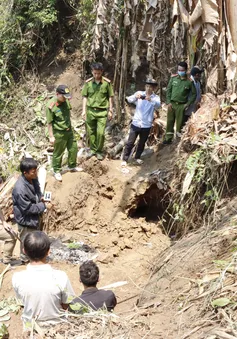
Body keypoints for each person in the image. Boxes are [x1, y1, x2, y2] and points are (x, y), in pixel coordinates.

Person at [12, 231, 75, 330]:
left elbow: (22, 303)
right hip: (57, 327)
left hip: (30, 328)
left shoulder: (17, 278)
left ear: (24, 251)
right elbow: (66, 304)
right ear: (48, 251)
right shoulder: (61, 276)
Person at [12, 158, 46, 263]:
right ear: (25, 173)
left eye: (36, 170)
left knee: (35, 240)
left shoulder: (32, 178)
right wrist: (43, 206)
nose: (35, 173)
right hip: (26, 220)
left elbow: (38, 189)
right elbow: (28, 209)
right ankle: (24, 260)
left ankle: (35, 257)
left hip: (34, 217)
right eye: (33, 172)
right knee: (27, 241)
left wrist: (40, 198)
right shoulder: (20, 189)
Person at [46, 85, 82, 182]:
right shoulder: (51, 106)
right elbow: (49, 123)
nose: (65, 98)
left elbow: (68, 114)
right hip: (59, 133)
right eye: (63, 96)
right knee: (58, 153)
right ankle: (56, 170)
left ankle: (72, 166)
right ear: (57, 94)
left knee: (73, 148)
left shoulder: (65, 101)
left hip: (69, 130)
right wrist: (51, 136)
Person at [121, 79, 161, 166]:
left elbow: (158, 105)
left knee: (142, 142)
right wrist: (136, 97)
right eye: (147, 86)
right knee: (130, 142)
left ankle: (137, 157)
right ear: (145, 87)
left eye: (150, 87)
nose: (148, 88)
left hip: (146, 124)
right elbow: (129, 99)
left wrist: (150, 100)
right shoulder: (139, 93)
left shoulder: (155, 98)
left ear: (154, 88)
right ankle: (125, 159)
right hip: (136, 122)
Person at [82, 63, 114, 160]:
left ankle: (99, 151)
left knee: (100, 133)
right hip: (90, 111)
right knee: (91, 132)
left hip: (102, 112)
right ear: (92, 72)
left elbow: (110, 97)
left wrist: (110, 110)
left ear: (102, 72)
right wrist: (84, 111)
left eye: (99, 73)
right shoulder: (88, 83)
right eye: (95, 73)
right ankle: (93, 150)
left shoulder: (106, 83)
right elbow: (85, 97)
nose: (97, 75)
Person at [163, 61, 197, 144]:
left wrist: (187, 104)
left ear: (185, 70)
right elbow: (168, 91)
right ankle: (168, 138)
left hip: (181, 105)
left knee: (179, 124)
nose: (180, 72)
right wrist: (168, 102)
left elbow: (194, 94)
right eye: (179, 70)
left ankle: (178, 140)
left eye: (182, 70)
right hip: (172, 104)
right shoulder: (173, 78)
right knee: (170, 122)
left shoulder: (189, 82)